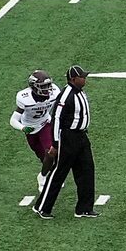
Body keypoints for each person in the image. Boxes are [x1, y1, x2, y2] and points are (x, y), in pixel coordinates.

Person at [33, 66, 96, 220]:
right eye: (82, 77)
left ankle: (84, 208)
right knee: (58, 173)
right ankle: (42, 207)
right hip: (68, 138)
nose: (84, 79)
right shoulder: (66, 95)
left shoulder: (79, 92)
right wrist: (55, 143)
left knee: (87, 171)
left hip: (81, 137)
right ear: (73, 79)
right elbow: (56, 119)